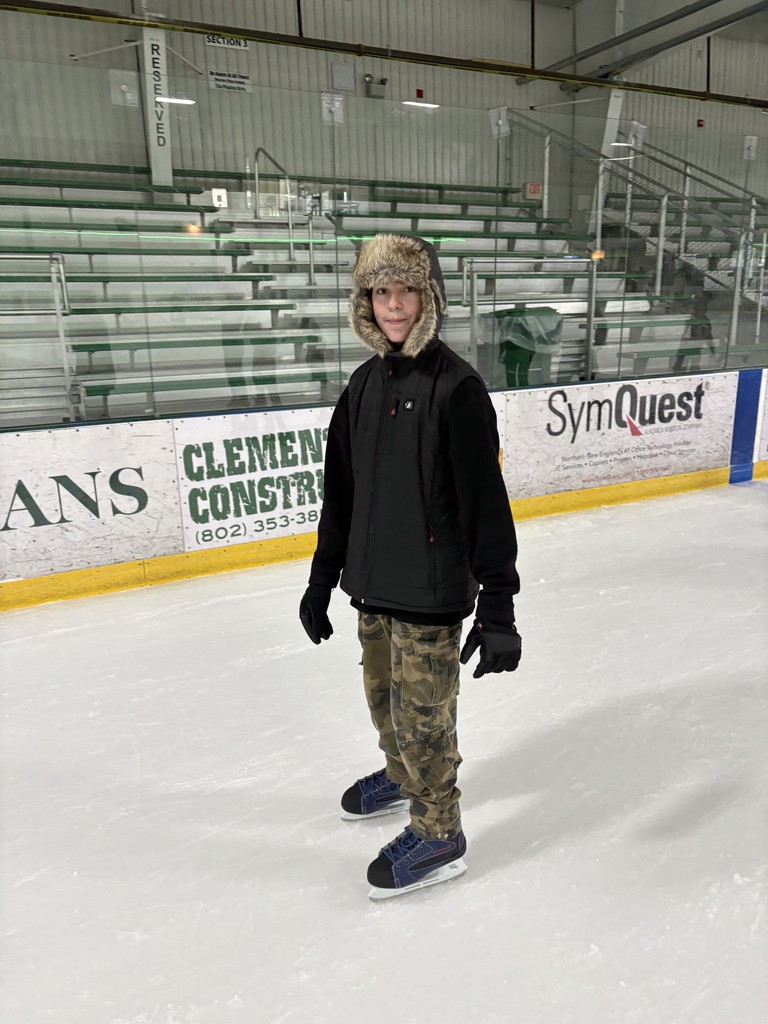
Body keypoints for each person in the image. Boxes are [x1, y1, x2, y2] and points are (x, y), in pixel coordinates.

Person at [299, 234, 521, 899]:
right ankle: (400, 780)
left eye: (405, 290)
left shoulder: (458, 389)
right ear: (365, 301)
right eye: (380, 291)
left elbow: (488, 506)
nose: (393, 305)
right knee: (384, 708)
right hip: (372, 587)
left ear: (428, 296)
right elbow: (342, 491)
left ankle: (438, 830)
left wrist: (500, 607)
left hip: (429, 594)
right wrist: (322, 576)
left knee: (426, 725)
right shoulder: (363, 386)